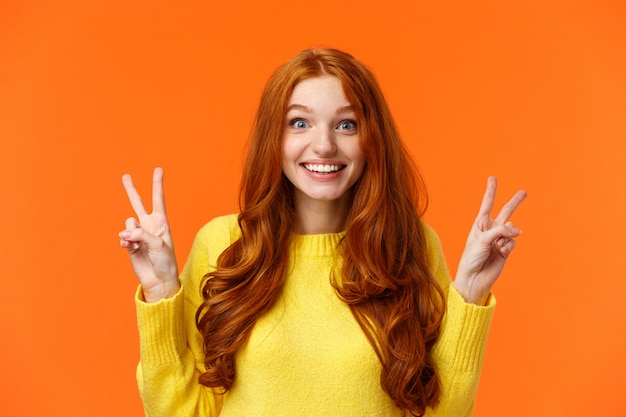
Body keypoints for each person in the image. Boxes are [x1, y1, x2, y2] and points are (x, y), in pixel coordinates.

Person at [119, 48, 526, 417]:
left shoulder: (410, 245)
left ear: (372, 140)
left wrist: (470, 292)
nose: (324, 145)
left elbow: (439, 411)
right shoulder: (224, 246)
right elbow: (184, 411)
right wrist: (160, 293)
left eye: (346, 124)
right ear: (273, 139)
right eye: (299, 123)